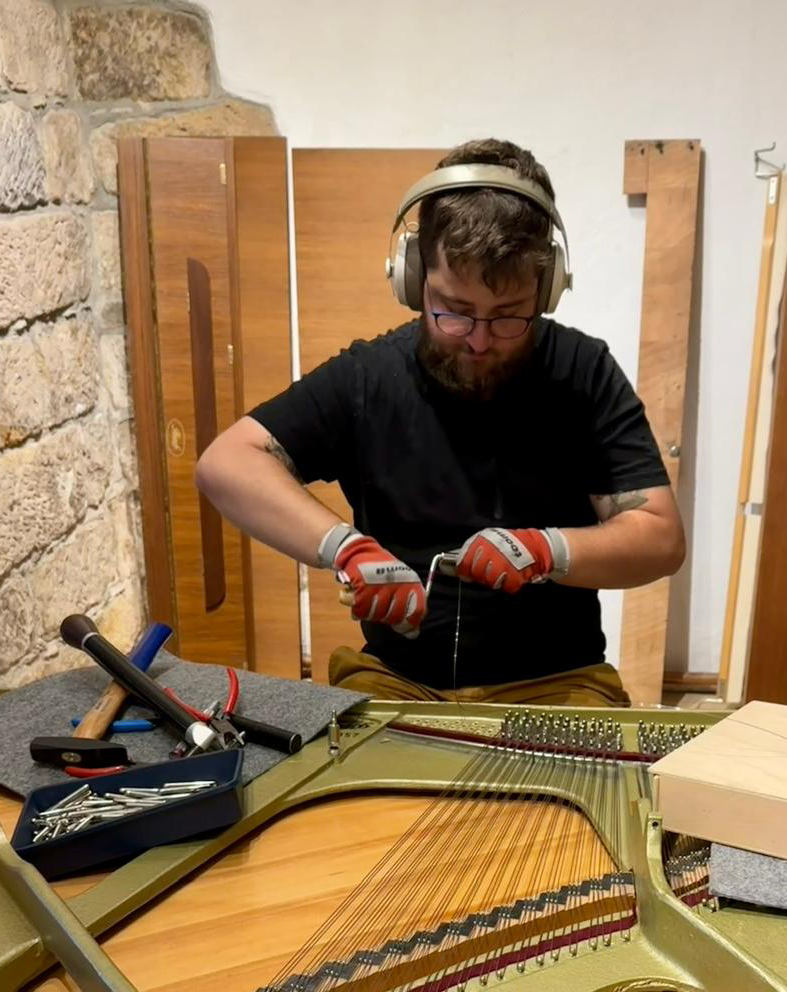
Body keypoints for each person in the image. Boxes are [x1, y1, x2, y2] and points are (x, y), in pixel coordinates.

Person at [196, 138, 684, 706]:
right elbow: (226, 463)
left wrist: (547, 550)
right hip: (397, 679)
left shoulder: (583, 373)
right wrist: (346, 549)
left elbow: (660, 537)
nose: (478, 340)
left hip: (557, 681)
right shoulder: (368, 377)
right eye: (454, 310)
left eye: (508, 317)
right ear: (412, 279)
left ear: (547, 289)